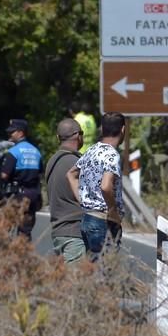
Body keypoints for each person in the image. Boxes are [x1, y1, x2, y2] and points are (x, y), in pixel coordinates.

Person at [67, 112, 125, 261]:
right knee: (106, 271)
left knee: (93, 269)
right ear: (122, 130)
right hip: (103, 220)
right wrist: (113, 212)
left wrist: (82, 199)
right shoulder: (112, 155)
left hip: (87, 218)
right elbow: (106, 186)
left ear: (102, 129)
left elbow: (71, 174)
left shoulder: (92, 150)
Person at [46, 119, 86, 264]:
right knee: (78, 284)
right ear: (78, 135)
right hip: (75, 233)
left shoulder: (52, 161)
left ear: (58, 138)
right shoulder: (77, 163)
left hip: (58, 232)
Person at [0, 119, 42, 239]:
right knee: (25, 232)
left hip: (16, 196)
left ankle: (6, 255)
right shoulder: (36, 151)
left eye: (12, 132)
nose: (9, 135)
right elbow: (40, 173)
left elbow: (4, 175)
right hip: (33, 195)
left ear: (21, 133)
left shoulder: (13, 152)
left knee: (5, 228)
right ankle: (23, 254)